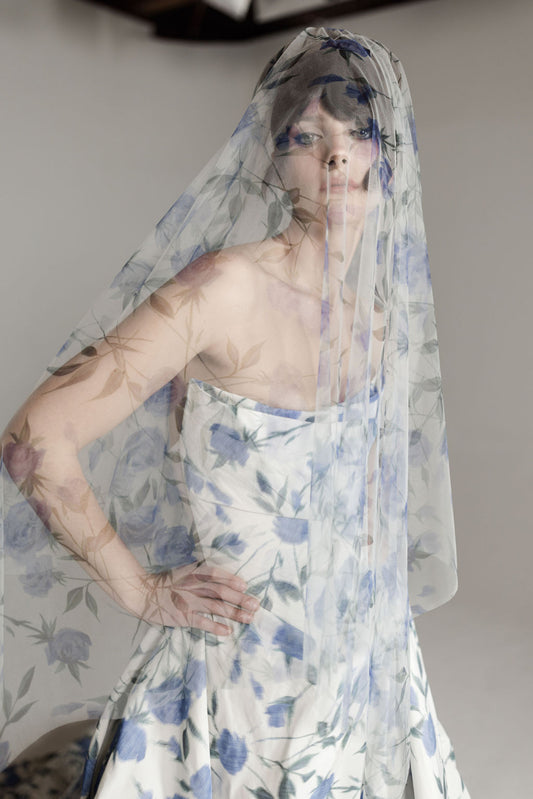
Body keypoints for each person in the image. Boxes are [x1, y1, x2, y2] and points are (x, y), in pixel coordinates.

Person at [0, 26, 471, 799]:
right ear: (272, 160)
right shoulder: (224, 290)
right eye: (306, 136)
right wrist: (143, 590)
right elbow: (34, 439)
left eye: (359, 133)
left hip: (367, 676)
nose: (335, 157)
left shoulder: (377, 317)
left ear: (392, 153)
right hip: (239, 678)